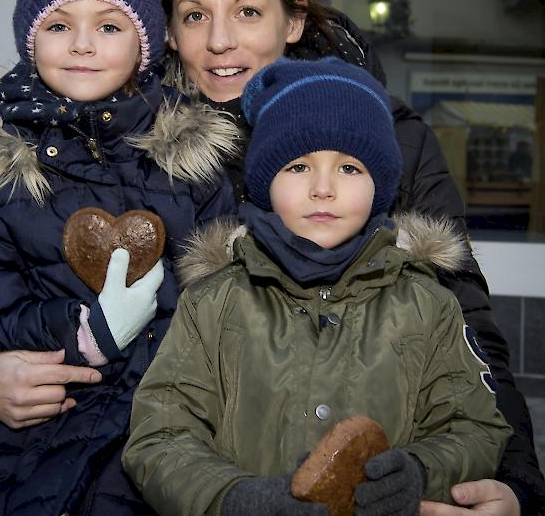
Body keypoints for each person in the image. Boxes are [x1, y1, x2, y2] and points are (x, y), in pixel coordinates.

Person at [0, 0, 544, 514]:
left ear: (294, 19)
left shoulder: (389, 142)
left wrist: (516, 484)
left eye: (248, 11)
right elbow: (52, 282)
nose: (221, 41)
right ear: (167, 30)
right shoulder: (139, 142)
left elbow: (467, 332)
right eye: (195, 15)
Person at [122, 56, 512, 516]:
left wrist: (419, 472)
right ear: (267, 183)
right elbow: (160, 434)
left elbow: (475, 427)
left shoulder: (428, 305)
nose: (323, 188)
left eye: (350, 168)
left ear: (379, 187)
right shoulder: (213, 304)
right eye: (298, 167)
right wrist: (235, 498)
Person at [0, 0, 234, 515]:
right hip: (39, 440)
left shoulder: (192, 159)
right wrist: (83, 333)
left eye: (108, 25)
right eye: (58, 25)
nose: (81, 45)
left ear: (145, 42)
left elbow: (222, 303)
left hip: (165, 437)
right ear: (29, 38)